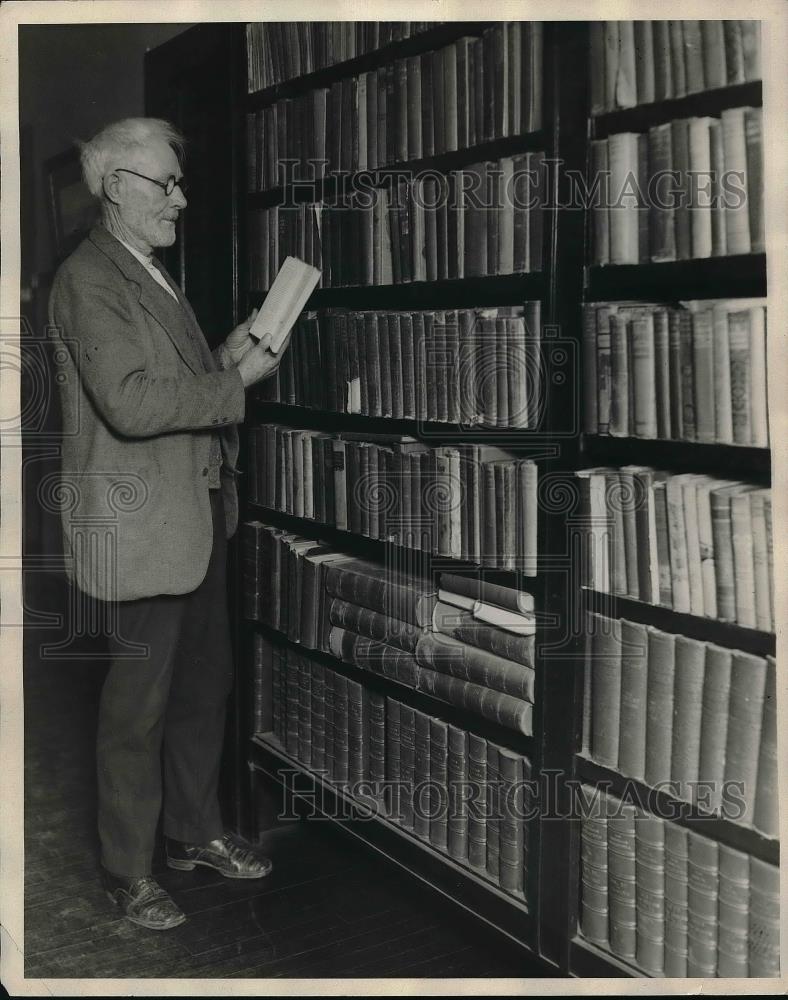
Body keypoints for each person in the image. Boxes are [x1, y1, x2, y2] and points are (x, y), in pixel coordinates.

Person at [48, 117, 289, 931]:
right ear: (117, 186)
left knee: (202, 689)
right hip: (140, 528)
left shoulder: (148, 271)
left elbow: (174, 385)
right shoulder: (90, 280)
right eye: (166, 184)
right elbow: (130, 401)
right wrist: (237, 386)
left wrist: (229, 355)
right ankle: (126, 870)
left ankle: (194, 833)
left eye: (177, 184)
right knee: (136, 709)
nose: (180, 199)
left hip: (192, 519)